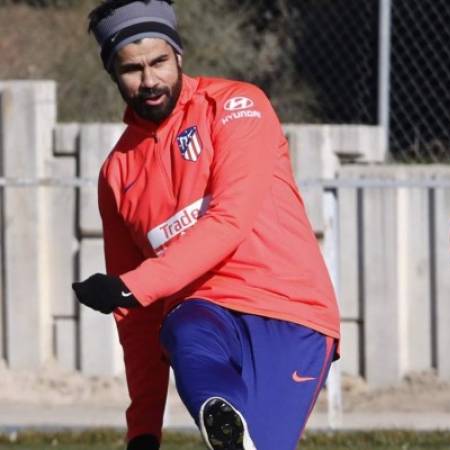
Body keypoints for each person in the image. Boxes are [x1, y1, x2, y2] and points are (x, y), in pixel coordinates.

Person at [71, 1, 341, 449]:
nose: (150, 80)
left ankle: (229, 422)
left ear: (179, 55)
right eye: (132, 69)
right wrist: (143, 428)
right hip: (203, 311)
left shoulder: (237, 105)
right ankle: (218, 406)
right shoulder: (116, 174)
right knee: (181, 324)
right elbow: (135, 318)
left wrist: (132, 286)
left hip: (290, 311)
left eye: (159, 61)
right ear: (112, 74)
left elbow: (229, 220)